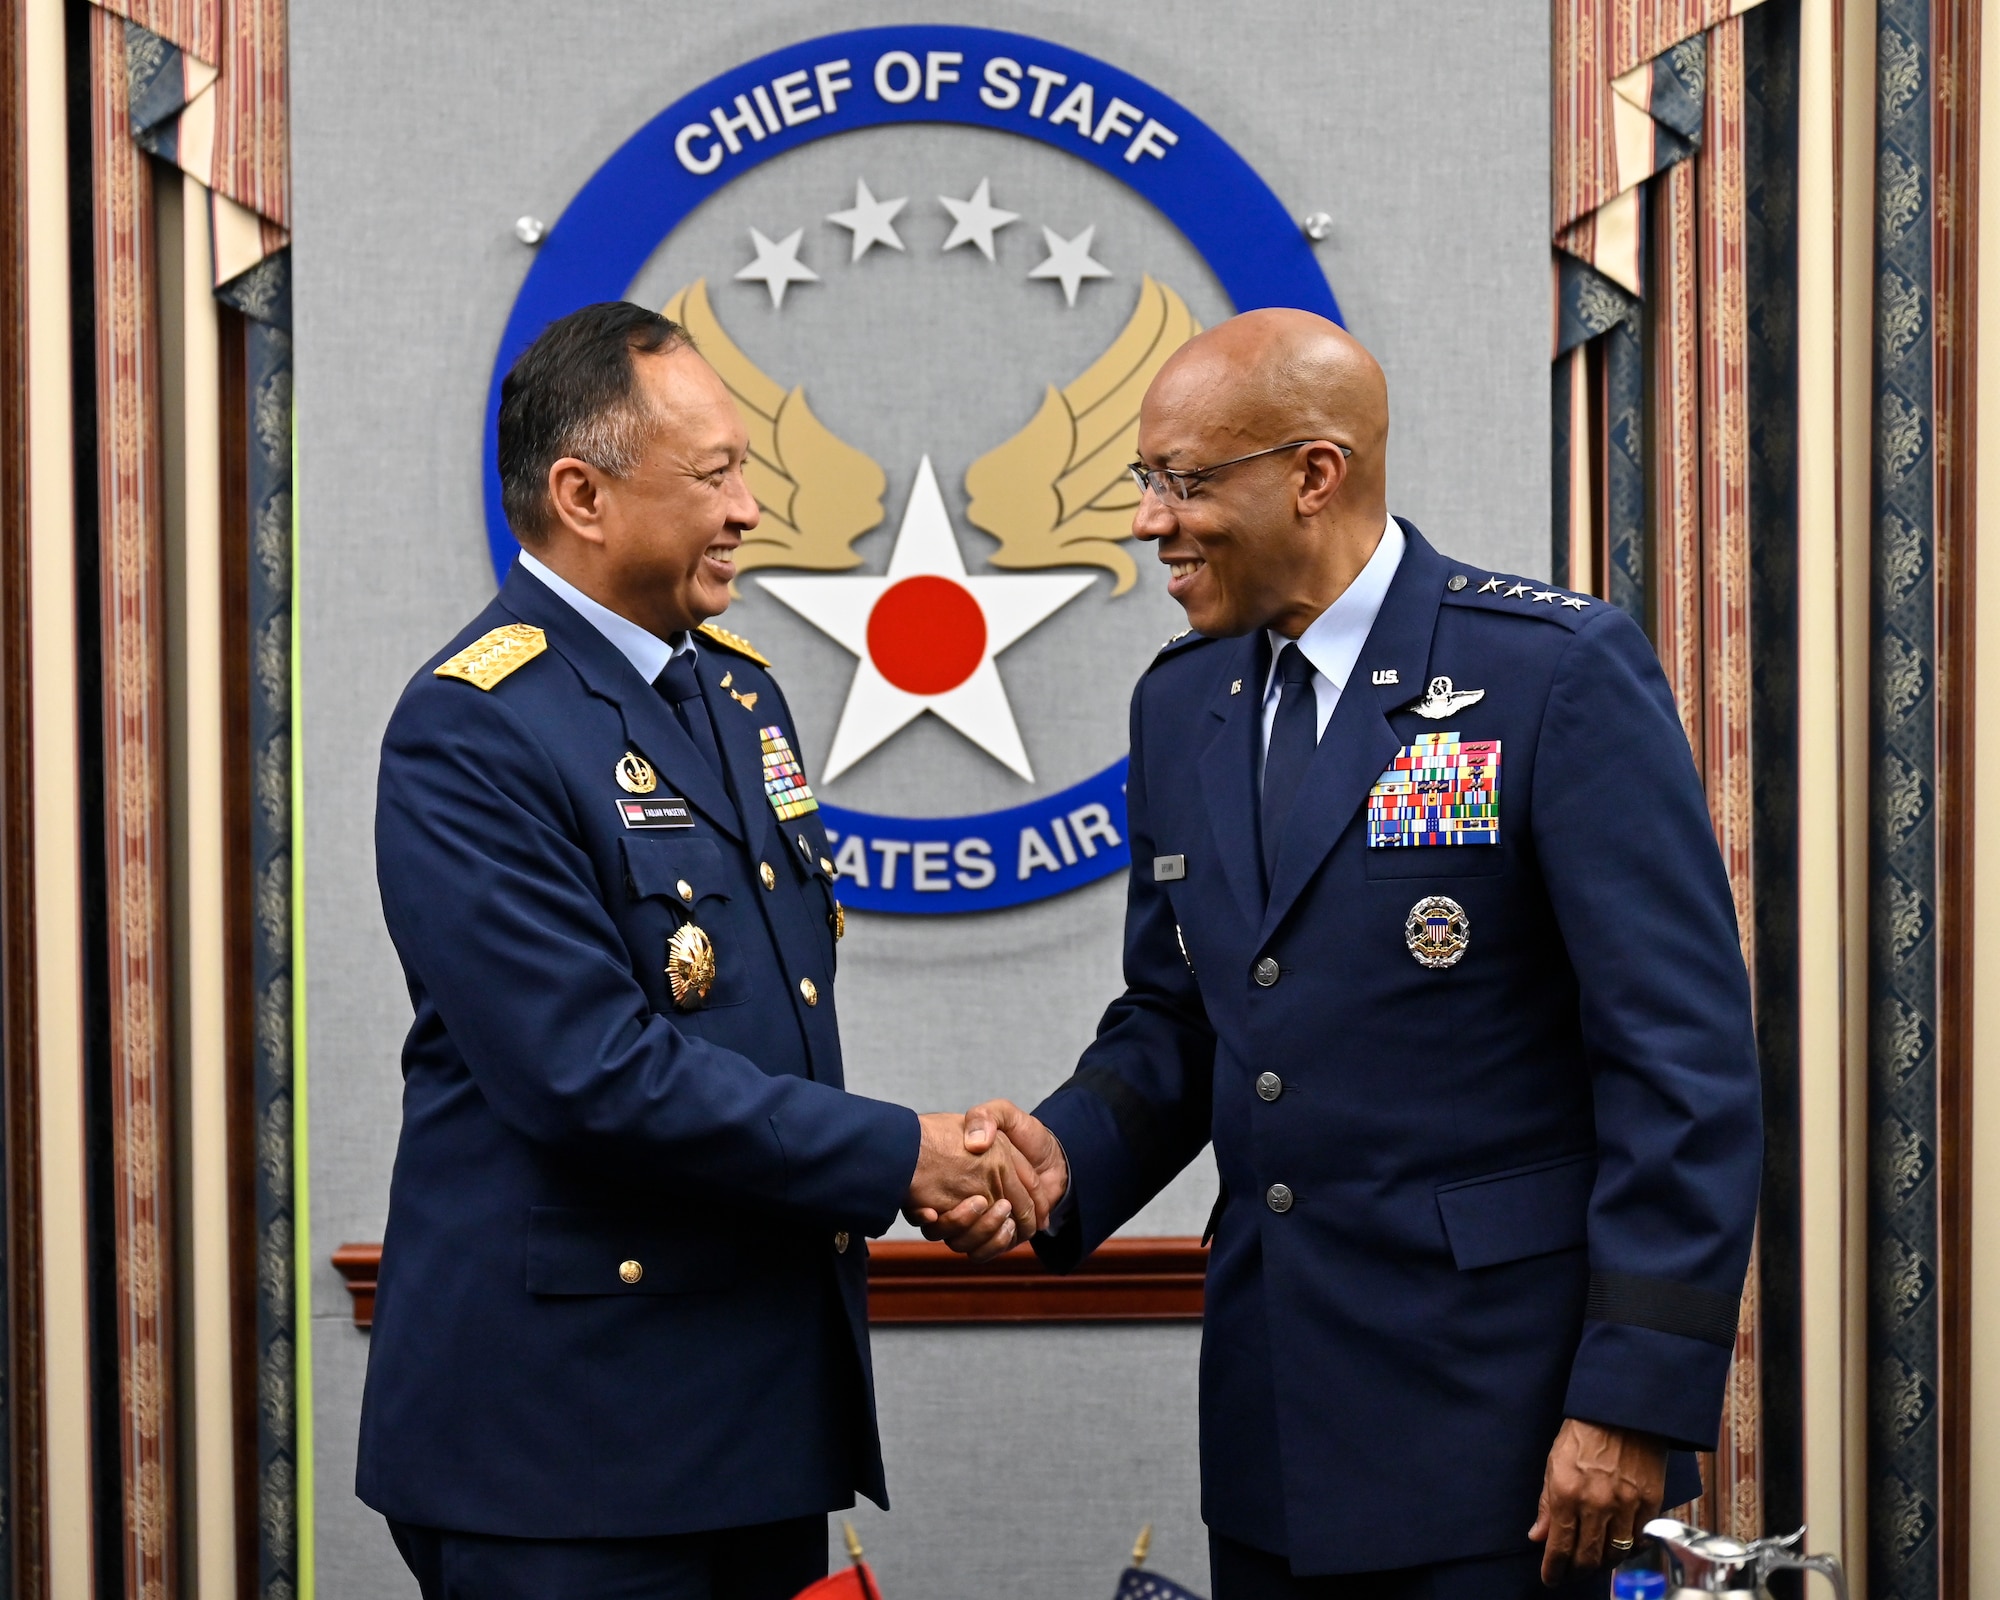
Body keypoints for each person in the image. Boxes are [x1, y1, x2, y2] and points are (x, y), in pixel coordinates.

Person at [919, 310, 1762, 1599]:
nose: (1151, 521)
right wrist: (1056, 1161)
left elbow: (1683, 1069)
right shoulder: (1181, 699)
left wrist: (1631, 1402)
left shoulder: (1550, 674)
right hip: (1273, 1424)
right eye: (1146, 482)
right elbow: (1180, 1014)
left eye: (1187, 482)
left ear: (1314, 473)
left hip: (1510, 1429)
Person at [358, 301, 1046, 1600]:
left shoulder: (738, 693)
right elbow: (588, 1071)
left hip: (751, 1411)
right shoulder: (475, 731)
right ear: (582, 494)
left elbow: (762, 1012)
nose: (747, 509)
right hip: (567, 1441)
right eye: (717, 473)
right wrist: (903, 1153)